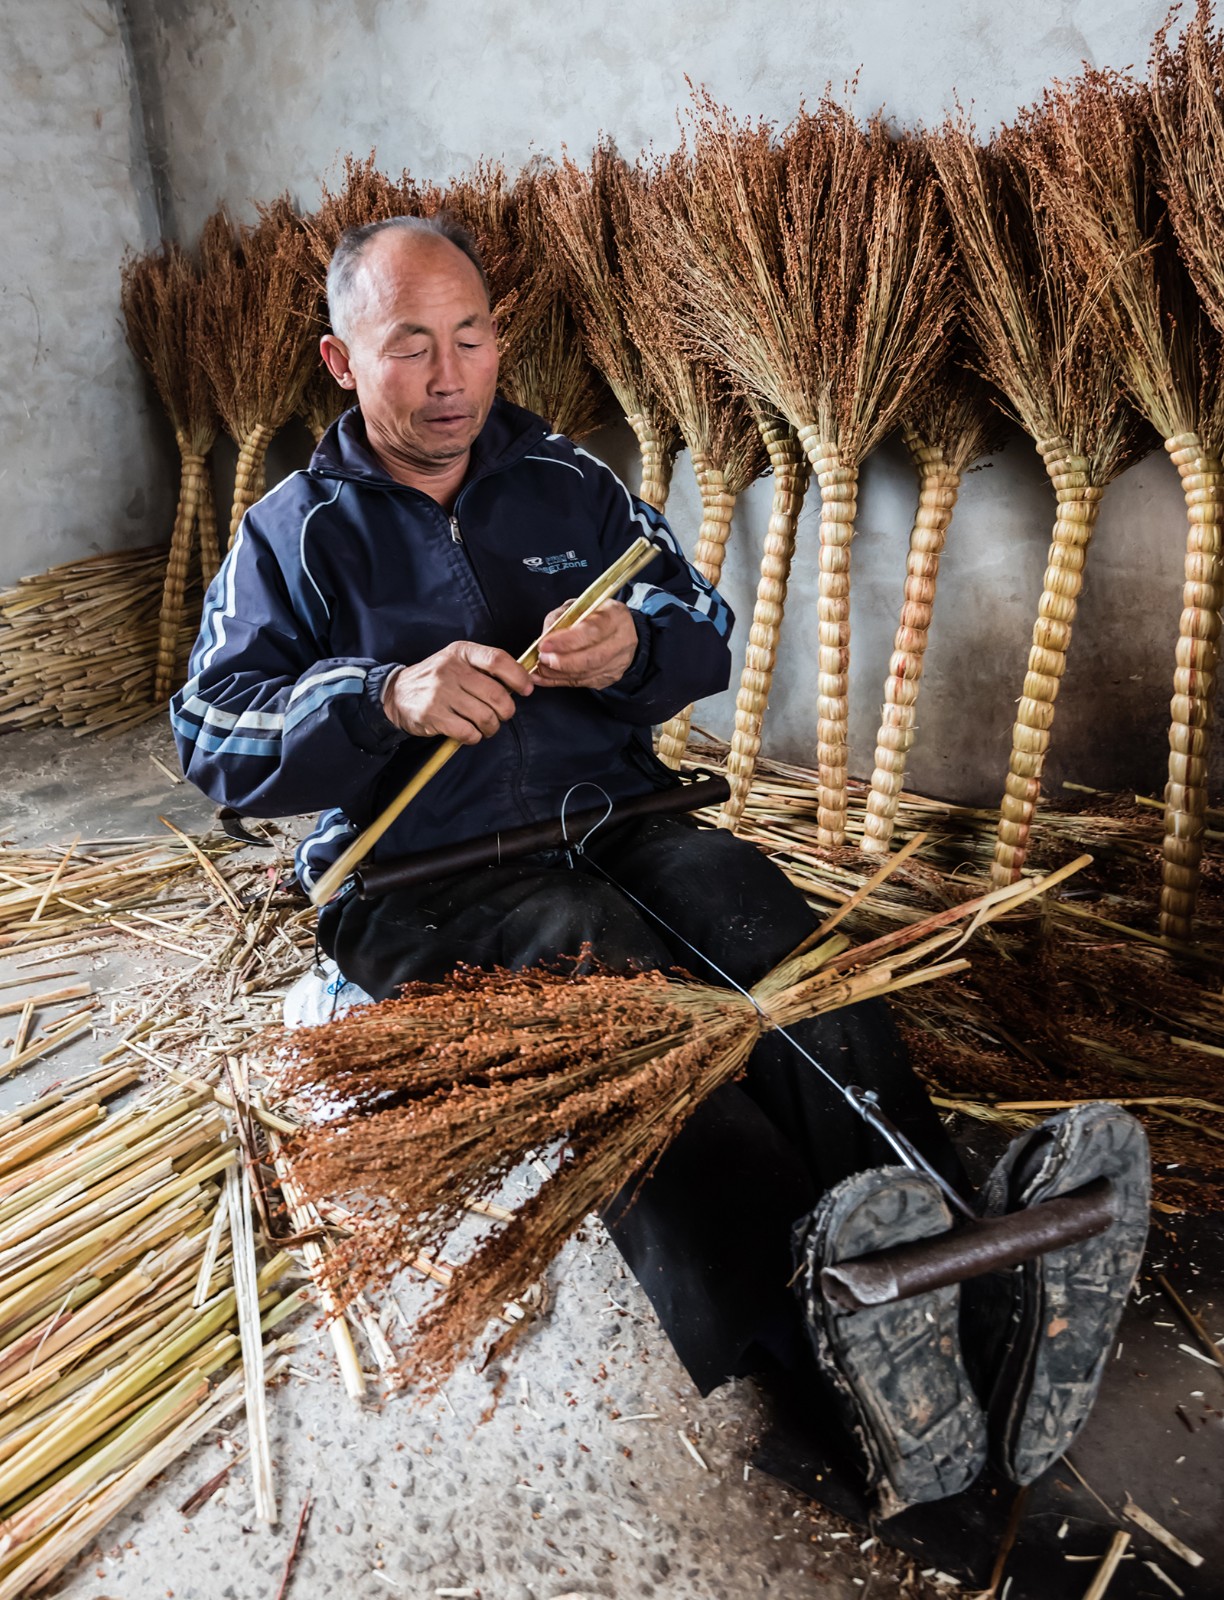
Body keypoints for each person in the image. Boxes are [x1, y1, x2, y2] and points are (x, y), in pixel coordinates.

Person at [171, 213, 1149, 1517]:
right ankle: (835, 1378)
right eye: (413, 347)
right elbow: (211, 733)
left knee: (768, 931)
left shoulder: (567, 481)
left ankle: (966, 1284)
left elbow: (701, 629)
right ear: (345, 364)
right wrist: (383, 695)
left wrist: (634, 649)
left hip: (617, 814)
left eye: (473, 338)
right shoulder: (292, 534)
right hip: (421, 875)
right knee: (628, 1010)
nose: (455, 373)